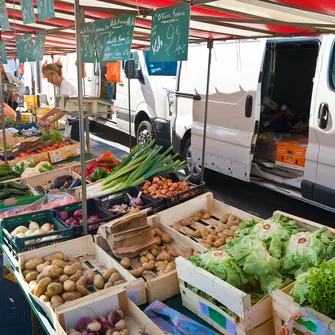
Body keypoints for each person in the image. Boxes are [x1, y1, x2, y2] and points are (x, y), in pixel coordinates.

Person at [38, 63, 80, 140]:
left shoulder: (66, 87)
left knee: (75, 144)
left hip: (77, 121)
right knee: (70, 142)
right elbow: (58, 106)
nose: (48, 81)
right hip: (71, 120)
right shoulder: (59, 87)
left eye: (48, 78)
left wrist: (49, 122)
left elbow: (62, 110)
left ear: (54, 75)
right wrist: (45, 116)